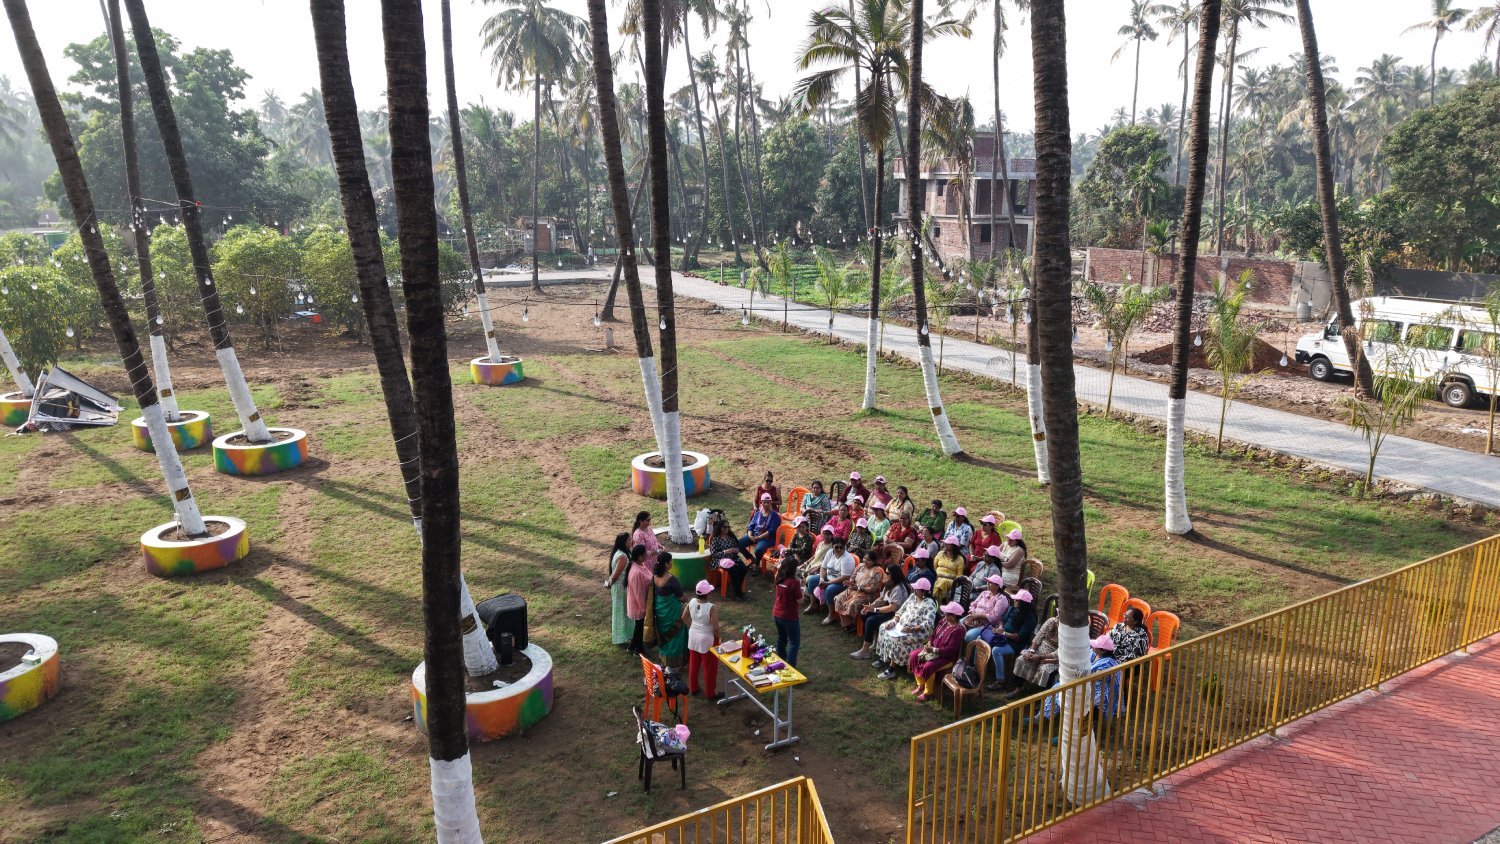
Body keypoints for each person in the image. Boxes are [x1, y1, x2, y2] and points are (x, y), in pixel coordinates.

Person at [1037, 635, 1121, 721]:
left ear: (1103, 651)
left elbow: (1093, 677)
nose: (1093, 646)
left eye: (1096, 646)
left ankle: (1073, 730)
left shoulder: (1108, 663)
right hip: (1085, 684)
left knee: (1072, 697)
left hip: (1098, 691)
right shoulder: (1093, 653)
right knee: (1056, 688)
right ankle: (1042, 717)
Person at [874, 579, 937, 679]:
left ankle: (892, 669)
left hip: (918, 631)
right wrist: (893, 622)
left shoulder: (929, 603)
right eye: (914, 589)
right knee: (883, 627)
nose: (914, 591)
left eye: (917, 589)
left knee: (897, 638)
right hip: (902, 626)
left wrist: (912, 629)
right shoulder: (913, 597)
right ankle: (884, 658)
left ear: (924, 591)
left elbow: (928, 623)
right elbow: (901, 611)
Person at [849, 564, 910, 659]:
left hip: (897, 615)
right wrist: (870, 607)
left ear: (894, 575)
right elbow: (882, 599)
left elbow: (892, 607)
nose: (885, 575)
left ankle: (865, 650)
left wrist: (875, 609)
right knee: (864, 614)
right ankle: (875, 640)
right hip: (889, 610)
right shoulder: (889, 584)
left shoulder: (898, 588)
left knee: (871, 620)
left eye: (887, 573)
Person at [907, 603, 966, 700]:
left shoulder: (959, 630)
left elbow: (950, 650)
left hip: (947, 657)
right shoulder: (943, 621)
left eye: (947, 614)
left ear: (954, 616)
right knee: (913, 655)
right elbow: (934, 633)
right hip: (932, 650)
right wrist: (930, 641)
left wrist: (933, 650)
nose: (944, 615)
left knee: (929, 665)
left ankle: (928, 693)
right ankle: (921, 684)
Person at [984, 589, 1038, 690]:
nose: (1015, 601)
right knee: (981, 638)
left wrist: (1004, 633)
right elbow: (1002, 620)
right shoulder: (1013, 608)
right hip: (1003, 636)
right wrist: (1000, 627)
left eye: (1017, 600)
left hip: (1016, 643)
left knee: (996, 651)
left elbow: (1019, 637)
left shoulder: (1030, 618)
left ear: (1024, 603)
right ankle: (980, 668)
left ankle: (1001, 681)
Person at [683, 580, 722, 699]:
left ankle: (693, 688)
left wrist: (692, 627)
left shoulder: (692, 601)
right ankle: (710, 693)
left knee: (694, 665)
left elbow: (684, 617)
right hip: (707, 640)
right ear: (708, 594)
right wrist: (719, 638)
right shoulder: (712, 608)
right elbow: (715, 628)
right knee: (710, 668)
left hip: (693, 637)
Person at [1009, 615, 1061, 700]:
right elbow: (1039, 636)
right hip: (1038, 650)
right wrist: (1031, 651)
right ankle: (1018, 688)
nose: (1058, 616)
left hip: (1053, 658)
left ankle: (1041, 697)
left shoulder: (1070, 631)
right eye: (1059, 613)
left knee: (1045, 670)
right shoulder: (1051, 621)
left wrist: (1041, 657)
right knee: (1021, 660)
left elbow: (1061, 651)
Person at [651, 554, 688, 668]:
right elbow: (681, 597)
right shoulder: (671, 579)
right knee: (676, 636)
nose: (672, 564)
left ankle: (665, 660)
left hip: (660, 613)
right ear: (666, 564)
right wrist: (685, 599)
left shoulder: (654, 577)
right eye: (670, 562)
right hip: (672, 614)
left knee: (663, 635)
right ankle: (677, 663)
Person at [833, 552, 885, 626]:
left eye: (868, 560)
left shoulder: (877, 572)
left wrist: (859, 588)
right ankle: (848, 623)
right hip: (854, 590)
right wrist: (849, 582)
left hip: (868, 595)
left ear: (874, 562)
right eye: (864, 558)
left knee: (852, 604)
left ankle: (850, 623)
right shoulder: (860, 566)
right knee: (838, 598)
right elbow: (853, 578)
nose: (865, 561)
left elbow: (873, 590)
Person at [812, 537, 857, 622]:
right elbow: (823, 568)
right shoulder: (830, 553)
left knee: (830, 589)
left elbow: (845, 577)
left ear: (844, 547)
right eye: (836, 547)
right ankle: (813, 605)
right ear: (833, 546)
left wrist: (828, 583)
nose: (839, 549)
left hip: (842, 582)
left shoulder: (847, 559)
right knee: (812, 580)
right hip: (828, 578)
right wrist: (821, 579)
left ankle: (831, 615)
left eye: (841, 547)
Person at [771, 555, 803, 667]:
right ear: (793, 569)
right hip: (789, 616)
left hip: (777, 613)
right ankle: (790, 668)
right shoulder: (793, 583)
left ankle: (780, 662)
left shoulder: (778, 577)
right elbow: (800, 601)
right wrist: (802, 587)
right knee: (794, 642)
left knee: (781, 638)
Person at [707, 519, 748, 599]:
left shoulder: (731, 538)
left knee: (743, 569)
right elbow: (714, 554)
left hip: (732, 558)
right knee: (734, 570)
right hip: (721, 560)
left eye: (728, 527)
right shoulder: (716, 539)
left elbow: (737, 547)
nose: (727, 529)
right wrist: (725, 552)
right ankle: (738, 594)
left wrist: (736, 550)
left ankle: (737, 586)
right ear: (720, 528)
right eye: (724, 527)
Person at [963, 574, 1010, 644]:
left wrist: (978, 616)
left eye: (990, 582)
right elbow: (973, 604)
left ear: (997, 586)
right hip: (974, 618)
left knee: (969, 636)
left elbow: (994, 617)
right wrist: (973, 615)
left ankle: (970, 652)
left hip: (986, 625)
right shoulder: (984, 593)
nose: (987, 583)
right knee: (960, 625)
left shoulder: (1001, 599)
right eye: (988, 581)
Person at [738, 493, 782, 566]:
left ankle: (757, 564)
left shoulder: (775, 515)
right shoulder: (758, 513)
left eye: (768, 502)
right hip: (754, 535)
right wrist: (750, 536)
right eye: (764, 502)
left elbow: (772, 530)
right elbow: (751, 526)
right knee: (738, 544)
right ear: (761, 503)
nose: (766, 504)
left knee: (758, 550)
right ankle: (751, 558)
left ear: (771, 502)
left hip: (767, 538)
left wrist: (759, 538)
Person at [605, 532, 633, 647]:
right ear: (624, 542)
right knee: (623, 611)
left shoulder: (621, 553)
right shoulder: (622, 557)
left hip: (622, 586)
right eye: (629, 540)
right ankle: (623, 636)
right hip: (621, 588)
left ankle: (626, 634)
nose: (632, 541)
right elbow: (616, 575)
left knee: (625, 610)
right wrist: (608, 583)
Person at [626, 545, 653, 655]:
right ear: (640, 556)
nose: (647, 555)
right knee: (640, 628)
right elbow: (639, 593)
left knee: (638, 627)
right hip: (638, 606)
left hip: (639, 604)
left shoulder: (639, 565)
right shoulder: (636, 572)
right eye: (645, 554)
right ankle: (638, 649)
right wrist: (644, 609)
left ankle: (632, 646)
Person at [932, 536, 966, 601]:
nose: (945, 545)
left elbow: (959, 577)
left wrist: (945, 576)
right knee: (938, 580)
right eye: (945, 543)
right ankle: (937, 601)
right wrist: (936, 575)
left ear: (953, 546)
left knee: (943, 581)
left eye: (947, 544)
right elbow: (934, 567)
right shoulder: (940, 553)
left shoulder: (960, 559)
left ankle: (933, 598)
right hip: (937, 576)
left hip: (951, 580)